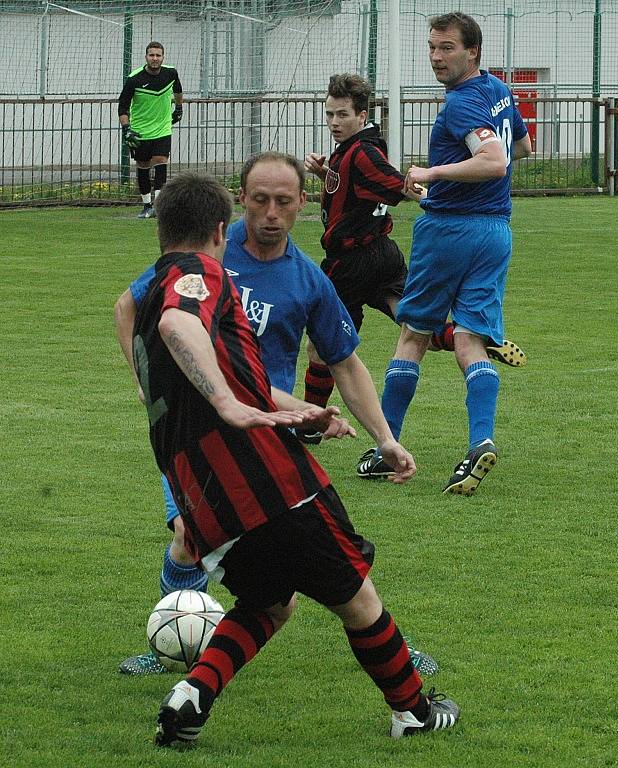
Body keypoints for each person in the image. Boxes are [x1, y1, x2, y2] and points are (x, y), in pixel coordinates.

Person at [126, 170, 459, 747]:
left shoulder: (157, 282)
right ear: (220, 228)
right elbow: (181, 323)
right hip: (266, 482)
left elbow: (220, 363)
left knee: (269, 603)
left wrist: (303, 410)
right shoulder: (197, 272)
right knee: (358, 596)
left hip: (206, 497)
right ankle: (414, 711)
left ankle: (191, 698)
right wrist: (230, 406)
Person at [357, 12, 533, 493]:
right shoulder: (499, 90)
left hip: (449, 233)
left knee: (413, 336)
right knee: (469, 339)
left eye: (447, 48)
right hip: (495, 232)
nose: (436, 56)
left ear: (472, 51)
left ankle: (385, 451)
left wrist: (432, 175)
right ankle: (480, 442)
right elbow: (523, 146)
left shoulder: (460, 104)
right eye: (432, 47)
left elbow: (494, 161)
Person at [302, 72, 526, 449]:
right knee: (415, 326)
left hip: (354, 262)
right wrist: (326, 172)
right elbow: (360, 186)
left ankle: (306, 425)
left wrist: (425, 189)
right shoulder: (352, 149)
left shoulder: (363, 152)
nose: (335, 122)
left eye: (342, 115)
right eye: (330, 114)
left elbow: (398, 186)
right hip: (382, 255)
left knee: (321, 345)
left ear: (361, 115)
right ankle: (465, 337)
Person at [118, 41, 183, 219]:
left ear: (163, 57)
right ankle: (146, 205)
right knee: (143, 165)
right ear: (146, 57)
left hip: (162, 128)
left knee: (161, 159)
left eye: (158, 55)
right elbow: (123, 106)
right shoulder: (134, 79)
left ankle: (158, 206)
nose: (155, 58)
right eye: (151, 55)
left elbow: (178, 90)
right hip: (141, 129)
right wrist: (126, 129)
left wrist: (178, 108)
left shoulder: (171, 73)